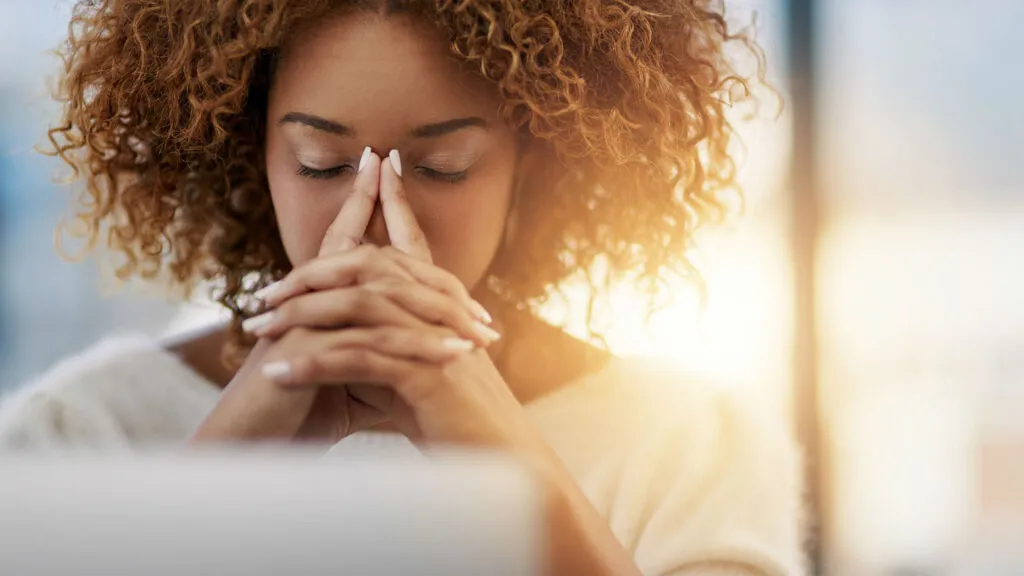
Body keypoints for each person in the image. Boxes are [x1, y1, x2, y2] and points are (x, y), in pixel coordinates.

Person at [0, 1, 803, 574]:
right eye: (321, 164)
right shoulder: (77, 435)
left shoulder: (693, 447)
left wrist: (507, 456)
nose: (379, 217)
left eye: (440, 168)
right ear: (254, 160)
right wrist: (233, 450)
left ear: (535, 164)